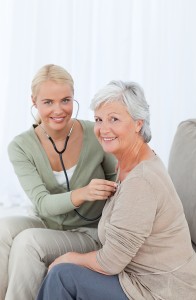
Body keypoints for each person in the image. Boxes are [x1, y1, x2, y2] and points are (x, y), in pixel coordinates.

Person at [37, 80, 196, 300]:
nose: (103, 129)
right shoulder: (129, 163)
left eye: (114, 119)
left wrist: (69, 257)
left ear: (137, 124)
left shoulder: (141, 181)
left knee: (61, 275)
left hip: (161, 291)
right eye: (98, 120)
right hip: (138, 278)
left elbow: (110, 262)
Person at [0, 64, 117, 300]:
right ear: (34, 101)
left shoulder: (96, 133)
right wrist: (83, 193)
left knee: (27, 242)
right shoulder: (21, 146)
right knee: (2, 229)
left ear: (74, 98)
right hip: (48, 221)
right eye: (48, 102)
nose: (58, 110)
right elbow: (42, 204)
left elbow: (120, 180)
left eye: (65, 100)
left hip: (89, 232)